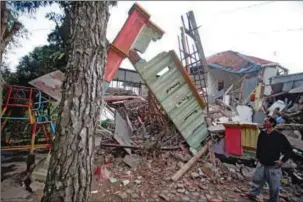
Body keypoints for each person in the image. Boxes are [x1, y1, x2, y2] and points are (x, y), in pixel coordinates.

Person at [247, 117, 292, 202]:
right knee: (257, 180)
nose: (264, 122)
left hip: (273, 165)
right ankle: (253, 194)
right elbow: (259, 146)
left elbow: (289, 149)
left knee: (274, 186)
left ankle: (273, 200)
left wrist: (282, 161)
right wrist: (257, 157)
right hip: (262, 162)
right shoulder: (262, 133)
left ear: (271, 123)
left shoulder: (279, 136)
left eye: (266, 121)